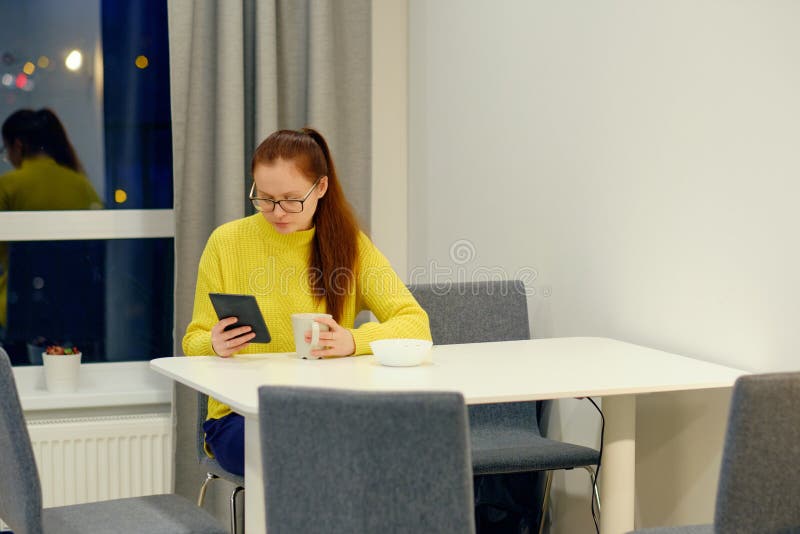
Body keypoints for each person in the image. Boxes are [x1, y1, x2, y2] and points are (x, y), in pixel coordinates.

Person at [183, 127, 431, 476]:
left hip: (327, 409)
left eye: (291, 199)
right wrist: (213, 342)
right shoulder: (226, 243)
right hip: (241, 418)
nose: (278, 211)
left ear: (322, 188)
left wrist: (352, 341)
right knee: (320, 452)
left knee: (397, 443)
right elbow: (193, 340)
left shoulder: (350, 246)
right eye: (265, 198)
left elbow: (415, 323)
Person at [0, 108, 102, 335]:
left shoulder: (8, 185)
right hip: (73, 307)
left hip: (18, 307)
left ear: (18, 145)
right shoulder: (81, 185)